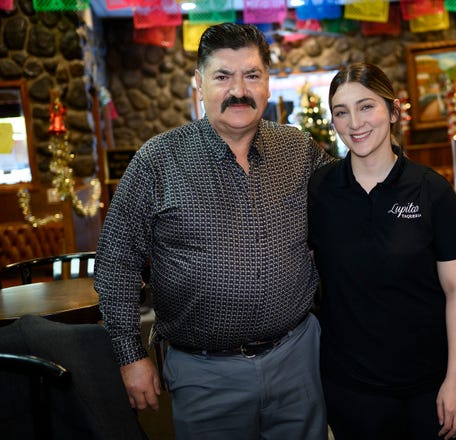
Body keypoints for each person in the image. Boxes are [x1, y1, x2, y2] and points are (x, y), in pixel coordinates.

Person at [94, 23, 334, 440]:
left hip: (298, 362)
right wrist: (129, 356)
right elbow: (116, 260)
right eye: (223, 76)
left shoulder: (298, 150)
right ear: (199, 84)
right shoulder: (157, 160)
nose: (238, 90)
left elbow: (351, 201)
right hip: (204, 374)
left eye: (252, 75)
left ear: (267, 83)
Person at [307, 62, 456, 439]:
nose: (355, 123)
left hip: (430, 385)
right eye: (341, 112)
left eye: (366, 106)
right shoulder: (319, 191)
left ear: (393, 111)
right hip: (351, 387)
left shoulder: (432, 191)